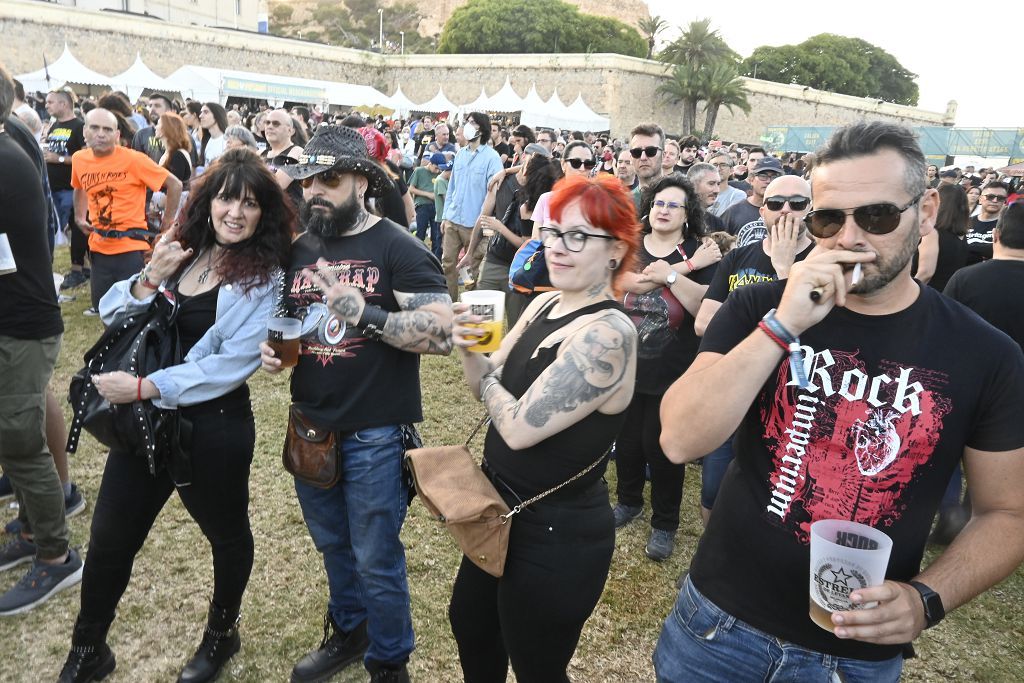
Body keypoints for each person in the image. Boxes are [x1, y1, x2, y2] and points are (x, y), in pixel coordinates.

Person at [654, 121, 1024, 682]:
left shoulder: (986, 354)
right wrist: (784, 324)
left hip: (852, 655)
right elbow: (680, 439)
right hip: (718, 627)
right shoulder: (761, 309)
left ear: (925, 211)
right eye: (828, 218)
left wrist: (928, 598)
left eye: (876, 216)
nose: (849, 238)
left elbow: (1007, 513)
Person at [262, 125, 453, 683]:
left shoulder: (398, 246)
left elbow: (443, 335)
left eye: (331, 179)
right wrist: (272, 354)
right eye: (309, 181)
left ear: (363, 182)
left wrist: (363, 312)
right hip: (311, 429)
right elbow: (291, 319)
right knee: (333, 547)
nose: (316, 190)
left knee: (376, 559)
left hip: (374, 433)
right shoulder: (301, 248)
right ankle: (350, 631)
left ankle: (389, 663)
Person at [448, 173, 639, 683]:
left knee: (536, 666)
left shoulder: (608, 334)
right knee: (471, 626)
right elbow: (483, 386)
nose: (556, 247)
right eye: (553, 233)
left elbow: (518, 428)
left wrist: (489, 380)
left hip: (556, 534)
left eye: (577, 236)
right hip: (499, 511)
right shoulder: (544, 302)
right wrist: (470, 346)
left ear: (616, 250)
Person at [0, 65, 83, 617]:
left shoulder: (6, 151)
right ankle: (35, 528)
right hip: (23, 311)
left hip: (20, 316)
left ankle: (55, 555)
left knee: (16, 438)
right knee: (25, 415)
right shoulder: (15, 138)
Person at [612, 174, 721, 561]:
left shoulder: (705, 251)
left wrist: (675, 273)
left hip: (673, 370)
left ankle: (665, 523)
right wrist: (683, 268)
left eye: (673, 204)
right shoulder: (632, 245)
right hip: (624, 367)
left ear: (687, 213)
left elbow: (701, 309)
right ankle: (628, 501)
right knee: (625, 444)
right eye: (658, 202)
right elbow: (624, 284)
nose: (663, 209)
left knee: (662, 450)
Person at [72, 108, 183, 313]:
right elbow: (78, 186)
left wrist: (167, 225)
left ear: (117, 135)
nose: (101, 133)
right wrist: (79, 216)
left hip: (130, 249)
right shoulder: (79, 159)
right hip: (98, 248)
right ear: (85, 131)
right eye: (95, 128)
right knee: (104, 310)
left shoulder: (133, 159)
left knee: (134, 311)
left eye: (107, 129)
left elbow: (175, 185)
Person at [440, 111, 505, 301]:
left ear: (481, 129)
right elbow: (452, 185)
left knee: (475, 270)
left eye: (473, 123)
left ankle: (471, 307)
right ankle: (451, 304)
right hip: (453, 219)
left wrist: (485, 224)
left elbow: (495, 194)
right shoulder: (460, 154)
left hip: (474, 224)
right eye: (467, 122)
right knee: (447, 264)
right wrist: (445, 216)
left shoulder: (491, 158)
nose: (468, 125)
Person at [44, 86, 90, 290]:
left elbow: (85, 156)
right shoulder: (53, 126)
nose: (46, 105)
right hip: (53, 187)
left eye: (50, 102)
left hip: (71, 188)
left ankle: (78, 270)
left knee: (76, 228)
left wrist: (59, 159)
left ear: (64, 104)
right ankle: (85, 268)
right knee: (62, 229)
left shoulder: (79, 126)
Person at [913, 184, 969, 290]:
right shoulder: (962, 236)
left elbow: (926, 273)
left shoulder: (932, 233)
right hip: (948, 294)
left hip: (928, 294)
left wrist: (906, 295)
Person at [719, 156, 783, 247]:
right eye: (763, 176)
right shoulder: (733, 212)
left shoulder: (785, 212)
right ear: (751, 180)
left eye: (774, 177)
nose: (768, 181)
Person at [964, 181, 1008, 264]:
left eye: (1000, 198)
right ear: (980, 199)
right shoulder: (965, 222)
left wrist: (967, 248)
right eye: (990, 197)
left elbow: (1004, 250)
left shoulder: (1008, 226)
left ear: (1004, 202)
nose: (995, 200)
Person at [409, 151, 442, 249]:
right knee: (420, 233)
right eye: (436, 168)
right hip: (422, 205)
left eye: (439, 169)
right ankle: (417, 256)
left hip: (437, 207)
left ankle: (435, 259)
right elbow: (411, 189)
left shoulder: (441, 174)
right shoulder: (419, 171)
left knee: (436, 236)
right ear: (430, 163)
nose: (437, 171)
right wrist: (428, 194)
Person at [198, 102, 228, 166]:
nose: (200, 116)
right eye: (201, 112)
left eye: (206, 112)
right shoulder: (206, 140)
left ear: (217, 115)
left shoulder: (227, 141)